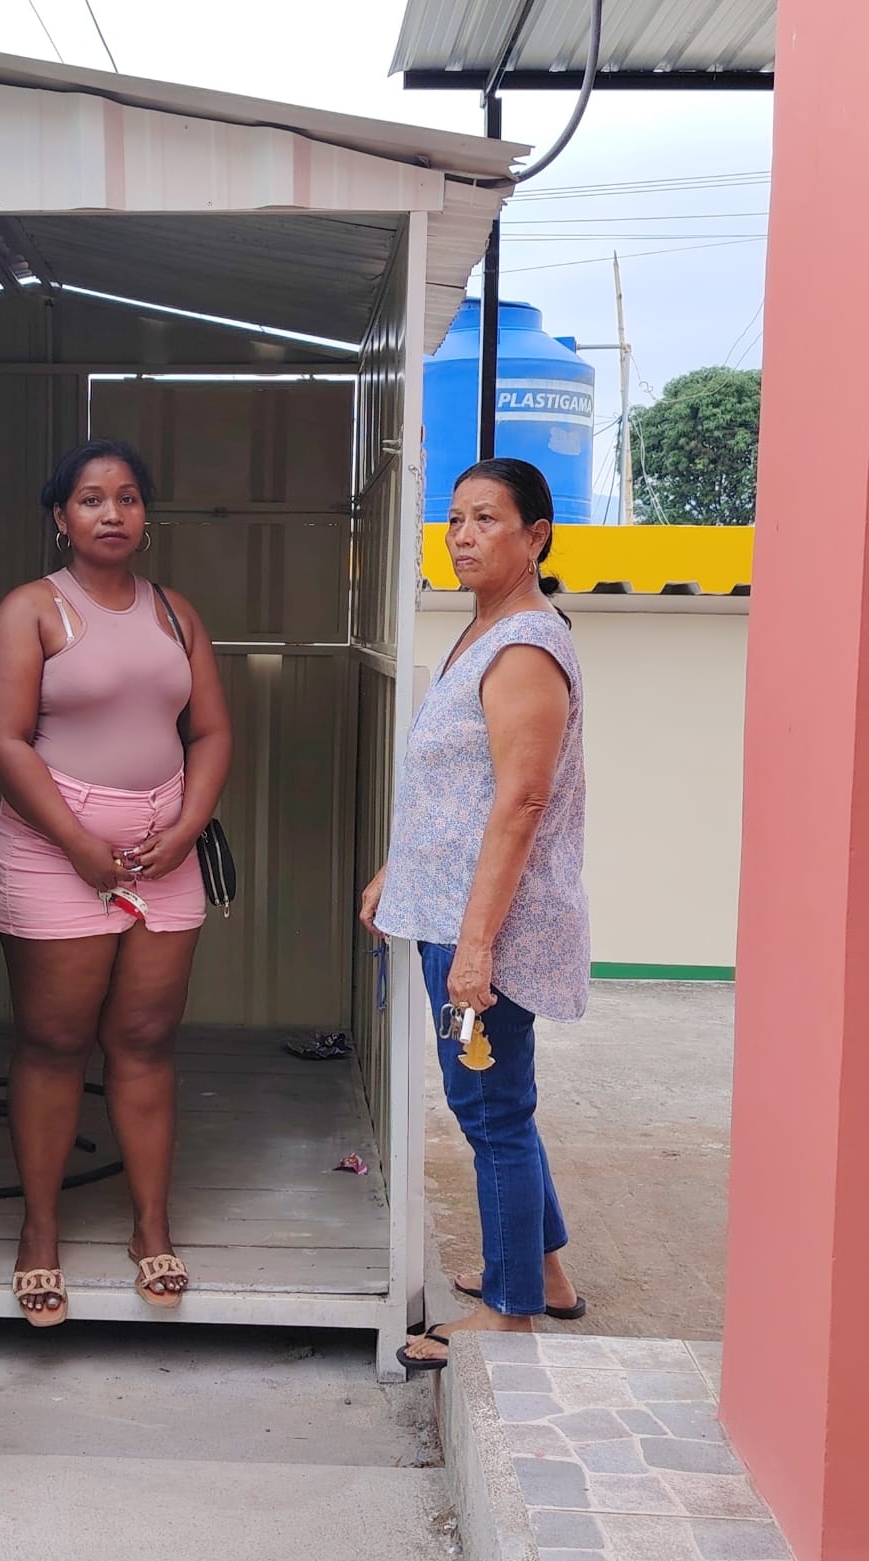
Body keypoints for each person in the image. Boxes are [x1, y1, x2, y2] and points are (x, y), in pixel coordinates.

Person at [0, 439, 232, 1324]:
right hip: (57, 851)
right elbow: (3, 739)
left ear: (145, 516)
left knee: (147, 1039)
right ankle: (39, 1232)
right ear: (61, 516)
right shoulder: (32, 610)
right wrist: (78, 842)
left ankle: (150, 1224)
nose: (111, 512)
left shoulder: (176, 614)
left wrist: (188, 826)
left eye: (127, 497)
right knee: (54, 1042)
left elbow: (211, 732)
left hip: (165, 851)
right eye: (90, 498)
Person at [361, 457, 589, 1373]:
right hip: (451, 907)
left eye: (486, 519)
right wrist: (399, 869)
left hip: (484, 928)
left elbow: (522, 799)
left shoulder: (524, 647)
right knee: (502, 1102)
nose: (462, 535)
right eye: (454, 518)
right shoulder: (483, 630)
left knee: (489, 1107)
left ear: (536, 536)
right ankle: (546, 1272)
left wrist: (477, 947)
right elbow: (456, 787)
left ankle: (509, 1309)